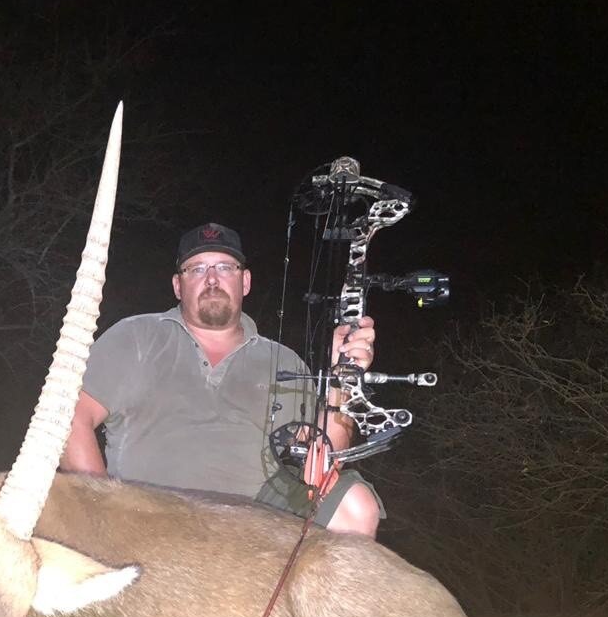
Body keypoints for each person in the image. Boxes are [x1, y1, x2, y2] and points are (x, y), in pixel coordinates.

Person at [61, 222, 385, 537]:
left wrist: (343, 378)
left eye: (225, 267)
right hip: (146, 518)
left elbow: (323, 465)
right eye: (197, 269)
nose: (212, 279)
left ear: (245, 282)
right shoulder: (135, 336)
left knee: (356, 506)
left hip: (250, 529)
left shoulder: (283, 361)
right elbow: (69, 419)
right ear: (178, 285)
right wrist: (101, 512)